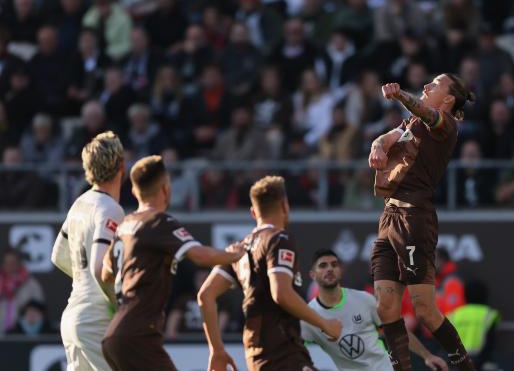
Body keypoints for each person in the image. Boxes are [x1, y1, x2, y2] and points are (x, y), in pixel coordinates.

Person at [368, 75, 476, 371]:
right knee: (385, 307)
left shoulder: (445, 125)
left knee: (425, 310)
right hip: (389, 217)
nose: (427, 86)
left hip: (415, 218)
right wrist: (377, 147)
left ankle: (466, 367)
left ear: (449, 99)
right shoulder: (411, 124)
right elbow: (386, 137)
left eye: (435, 84)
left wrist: (401, 96)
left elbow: (427, 114)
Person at [100, 155, 244, 371]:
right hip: (139, 334)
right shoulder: (159, 221)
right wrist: (235, 255)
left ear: (134, 191)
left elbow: (105, 274)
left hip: (114, 335)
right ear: (166, 189)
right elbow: (201, 256)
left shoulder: (124, 226)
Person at [198, 175, 342, 371]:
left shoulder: (238, 249)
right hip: (281, 348)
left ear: (253, 213)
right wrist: (324, 324)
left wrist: (217, 350)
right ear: (284, 206)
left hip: (255, 351)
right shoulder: (279, 239)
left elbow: (205, 296)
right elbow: (281, 293)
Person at [50, 131, 126, 371]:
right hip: (96, 321)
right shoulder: (110, 209)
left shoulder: (80, 203)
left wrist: (85, 287)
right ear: (121, 166)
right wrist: (119, 306)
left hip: (73, 317)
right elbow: (97, 267)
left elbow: (58, 257)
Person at [301, 248, 448, 371]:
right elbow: (296, 351)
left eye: (334, 265)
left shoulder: (365, 300)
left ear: (341, 271)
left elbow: (397, 331)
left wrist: (427, 356)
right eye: (323, 266)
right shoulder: (308, 316)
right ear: (312, 275)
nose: (329, 269)